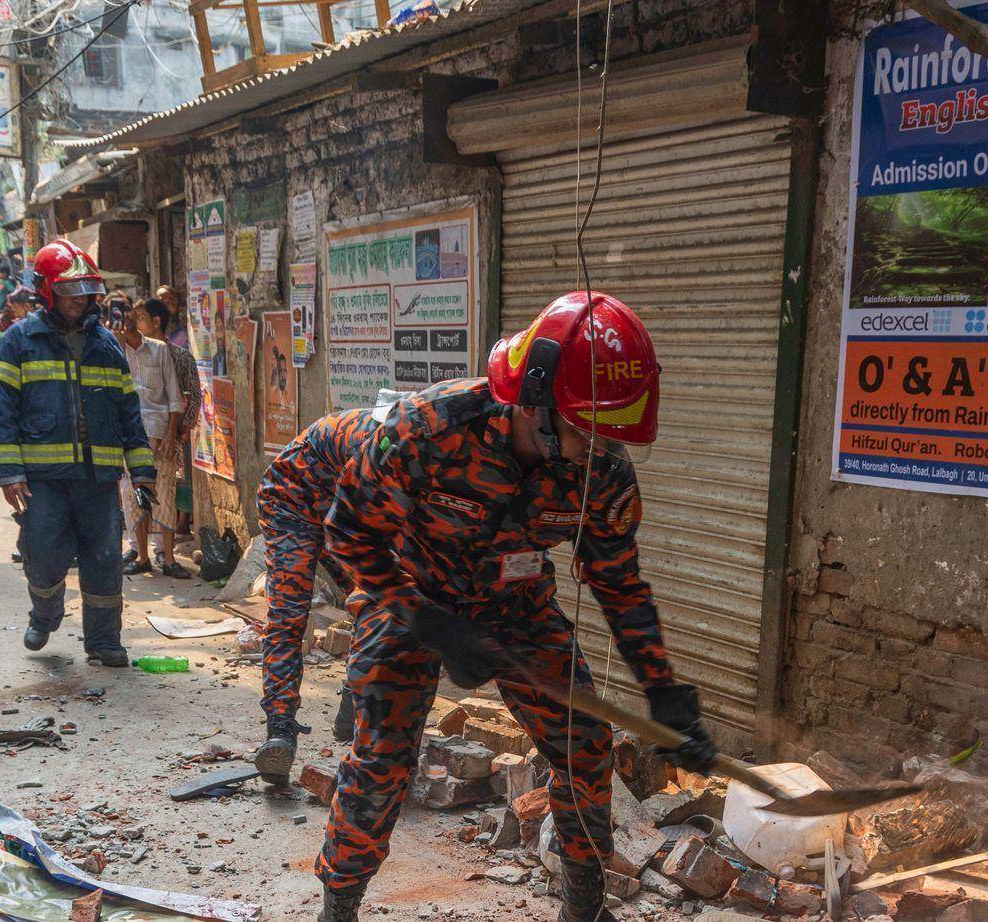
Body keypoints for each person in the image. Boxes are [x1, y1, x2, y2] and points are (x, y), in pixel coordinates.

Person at [313, 293, 717, 922]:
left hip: (517, 608)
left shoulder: (601, 467)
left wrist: (662, 688)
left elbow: (619, 582)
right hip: (411, 598)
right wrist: (426, 620)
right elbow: (347, 532)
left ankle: (584, 905)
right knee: (384, 759)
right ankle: (338, 906)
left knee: (584, 743)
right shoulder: (431, 428)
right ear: (536, 400)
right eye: (588, 429)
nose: (602, 448)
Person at [0, 239, 156, 667]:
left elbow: (128, 413)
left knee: (104, 557)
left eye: (85, 290)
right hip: (43, 477)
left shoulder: (107, 345)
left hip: (98, 477)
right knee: (43, 553)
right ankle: (44, 615)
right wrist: (9, 474)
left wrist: (141, 472)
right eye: (69, 291)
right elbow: (3, 411)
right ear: (47, 291)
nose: (79, 300)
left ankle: (103, 640)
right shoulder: (18, 341)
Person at [249, 394, 406, 785]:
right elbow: (363, 529)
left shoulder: (411, 452)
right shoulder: (371, 448)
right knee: (289, 616)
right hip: (291, 506)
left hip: (339, 511)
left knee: (376, 604)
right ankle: (280, 730)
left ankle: (353, 710)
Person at [117, 297, 193, 578]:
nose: (129, 324)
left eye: (134, 318)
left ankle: (169, 558)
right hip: (129, 435)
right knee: (132, 496)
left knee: (165, 495)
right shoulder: (113, 351)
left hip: (160, 435)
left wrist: (172, 434)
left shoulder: (160, 350)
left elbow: (175, 397)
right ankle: (142, 556)